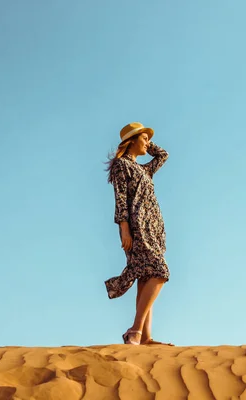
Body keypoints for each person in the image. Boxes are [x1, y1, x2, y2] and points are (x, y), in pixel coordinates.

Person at [104, 122, 172, 346]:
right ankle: (134, 330)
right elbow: (120, 198)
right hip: (137, 226)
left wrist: (149, 144)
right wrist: (124, 228)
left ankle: (145, 336)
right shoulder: (121, 165)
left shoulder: (143, 169)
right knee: (160, 272)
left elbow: (163, 155)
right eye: (143, 139)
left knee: (146, 277)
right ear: (131, 141)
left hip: (153, 229)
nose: (148, 143)